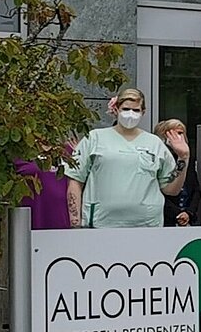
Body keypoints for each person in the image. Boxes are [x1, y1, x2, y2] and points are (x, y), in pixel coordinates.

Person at [67, 87, 191, 228]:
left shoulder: (155, 143)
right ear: (116, 109)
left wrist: (183, 158)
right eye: (126, 109)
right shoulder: (94, 138)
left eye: (136, 110)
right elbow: (75, 181)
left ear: (143, 112)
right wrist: (75, 223)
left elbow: (171, 189)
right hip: (100, 225)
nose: (130, 114)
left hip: (147, 226)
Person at [156, 119, 201, 227]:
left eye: (181, 133)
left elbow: (195, 189)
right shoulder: (159, 158)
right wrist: (176, 213)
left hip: (187, 217)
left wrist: (189, 212)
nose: (179, 137)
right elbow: (157, 191)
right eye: (174, 133)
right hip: (165, 218)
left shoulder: (186, 158)